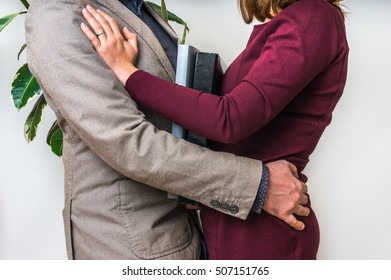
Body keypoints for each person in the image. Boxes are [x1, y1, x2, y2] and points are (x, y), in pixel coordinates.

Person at [25, 0, 309, 260]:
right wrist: (257, 186)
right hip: (126, 244)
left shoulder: (134, 6)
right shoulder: (57, 16)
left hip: (184, 234)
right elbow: (127, 142)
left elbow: (176, 116)